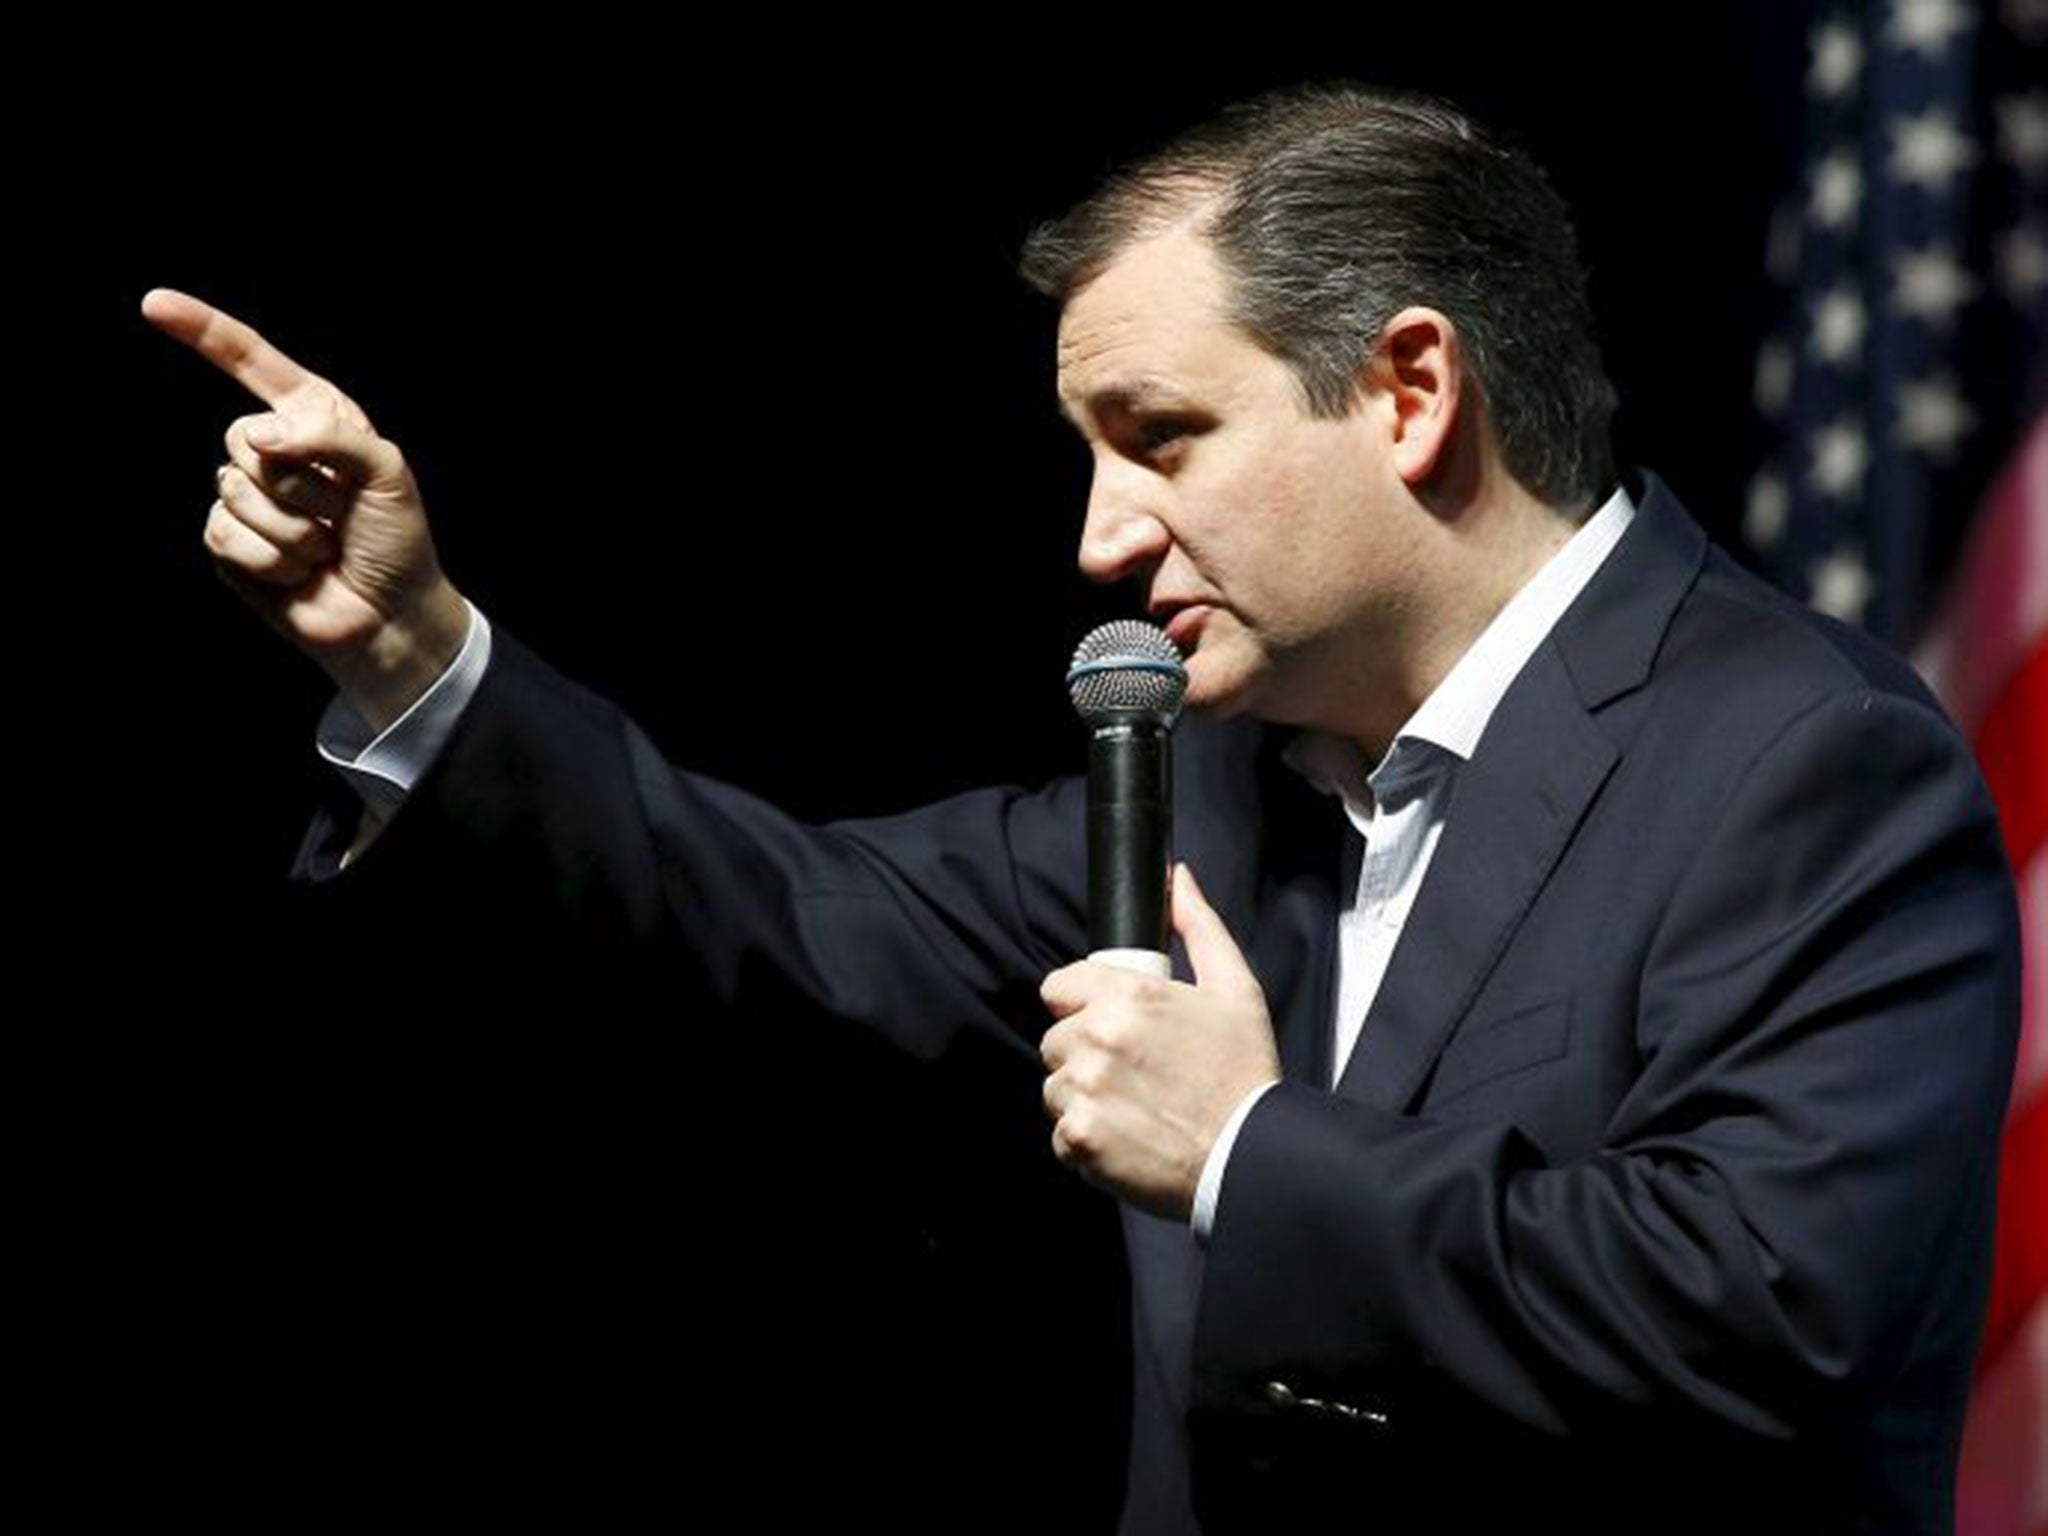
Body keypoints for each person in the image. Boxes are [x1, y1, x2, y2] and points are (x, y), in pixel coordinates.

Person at [150, 84, 2020, 1534]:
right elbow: (785, 917)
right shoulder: (1201, 776)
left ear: (1411, 388)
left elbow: (1768, 1310)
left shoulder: (1805, 760)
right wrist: (412, 654)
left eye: (1161, 437)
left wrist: (1243, 1152)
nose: (1102, 537)